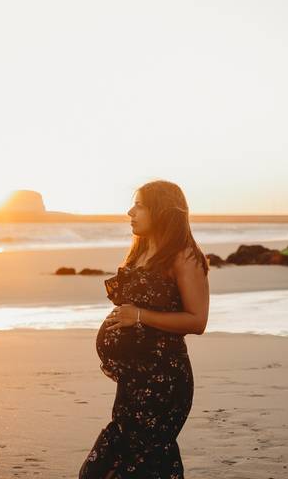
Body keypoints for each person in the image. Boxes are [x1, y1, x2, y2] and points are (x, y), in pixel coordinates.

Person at [79, 180, 210, 478]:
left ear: (161, 210)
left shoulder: (184, 255)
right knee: (115, 466)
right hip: (135, 381)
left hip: (164, 382)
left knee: (138, 465)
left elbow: (197, 320)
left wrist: (139, 316)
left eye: (139, 205)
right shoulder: (141, 253)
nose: (130, 212)